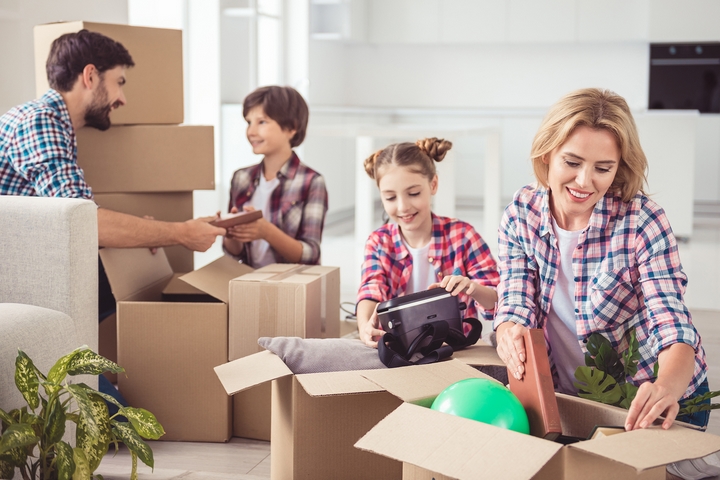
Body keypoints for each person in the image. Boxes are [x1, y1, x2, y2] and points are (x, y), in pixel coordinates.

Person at [0, 29, 225, 414]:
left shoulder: (53, 123)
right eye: (118, 82)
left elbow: (74, 213)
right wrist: (179, 234)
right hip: (17, 283)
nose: (122, 98)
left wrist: (148, 230)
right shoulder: (40, 122)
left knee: (131, 260)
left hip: (32, 271)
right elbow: (85, 225)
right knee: (124, 424)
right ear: (90, 76)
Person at [494, 88, 710, 436]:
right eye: (572, 162)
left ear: (619, 167)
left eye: (602, 168)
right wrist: (508, 332)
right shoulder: (521, 214)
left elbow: (672, 324)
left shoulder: (642, 220)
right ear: (548, 153)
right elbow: (515, 304)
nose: (584, 181)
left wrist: (665, 388)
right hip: (570, 400)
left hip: (653, 403)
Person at [357, 138, 499, 348]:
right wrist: (364, 328)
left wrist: (472, 287)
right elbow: (370, 291)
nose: (403, 206)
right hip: (400, 351)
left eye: (413, 193)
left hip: (458, 350)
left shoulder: (463, 235)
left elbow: (497, 299)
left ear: (433, 184)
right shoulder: (378, 242)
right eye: (390, 198)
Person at [222, 86, 328, 267]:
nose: (251, 132)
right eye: (249, 122)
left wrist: (266, 232)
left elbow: (310, 254)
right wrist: (231, 233)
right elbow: (236, 253)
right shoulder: (241, 178)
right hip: (250, 284)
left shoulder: (311, 182)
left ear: (291, 128)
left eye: (261, 122)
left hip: (292, 288)